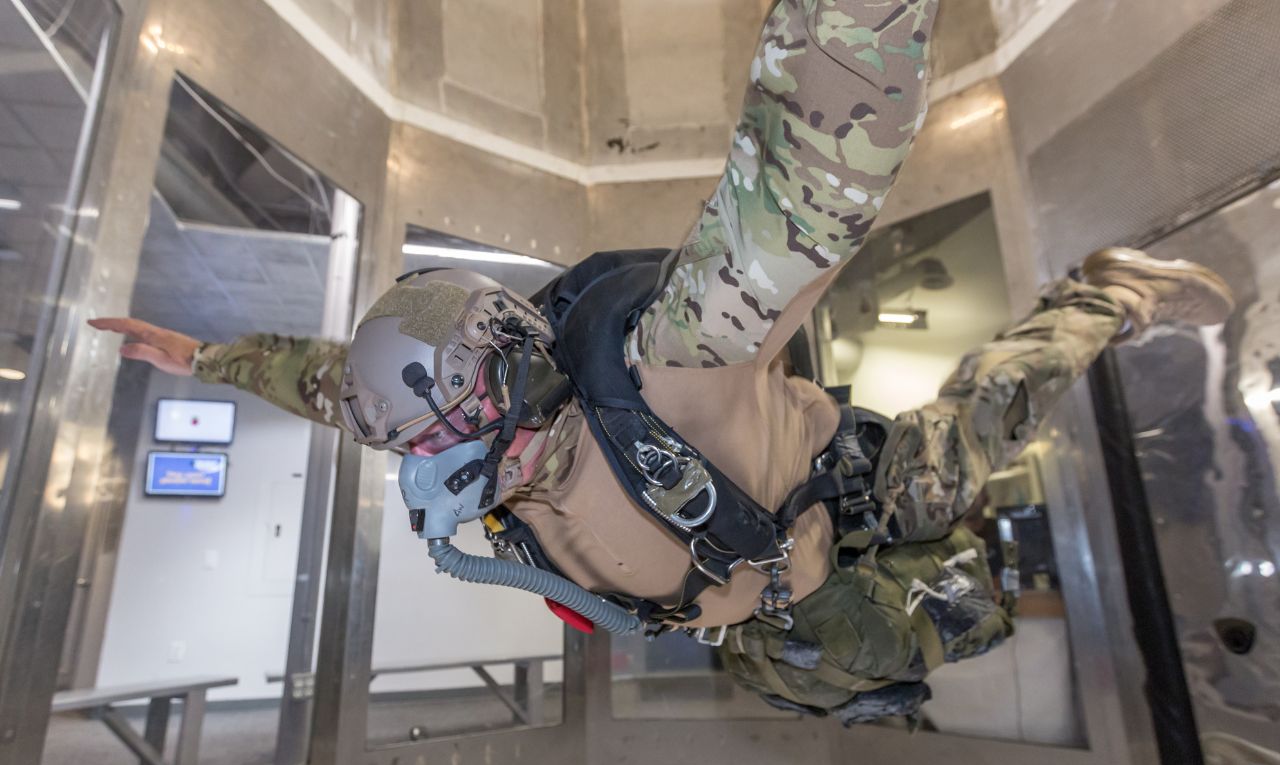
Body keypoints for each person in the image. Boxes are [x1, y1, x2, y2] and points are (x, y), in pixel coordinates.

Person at [89, 0, 1235, 723]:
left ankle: (1104, 292)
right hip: (780, 616)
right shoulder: (446, 428)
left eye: (454, 430)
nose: (442, 461)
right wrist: (207, 355)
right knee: (858, 661)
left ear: (513, 374)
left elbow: (798, 177)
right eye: (420, 441)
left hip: (854, 490)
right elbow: (331, 382)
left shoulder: (667, 359)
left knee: (980, 430)